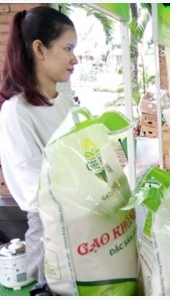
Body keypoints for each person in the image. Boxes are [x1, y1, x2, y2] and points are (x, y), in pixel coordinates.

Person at [0, 7, 78, 284]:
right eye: (68, 48)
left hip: (83, 224)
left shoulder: (64, 102)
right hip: (52, 235)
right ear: (39, 49)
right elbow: (34, 191)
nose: (75, 58)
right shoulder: (16, 112)